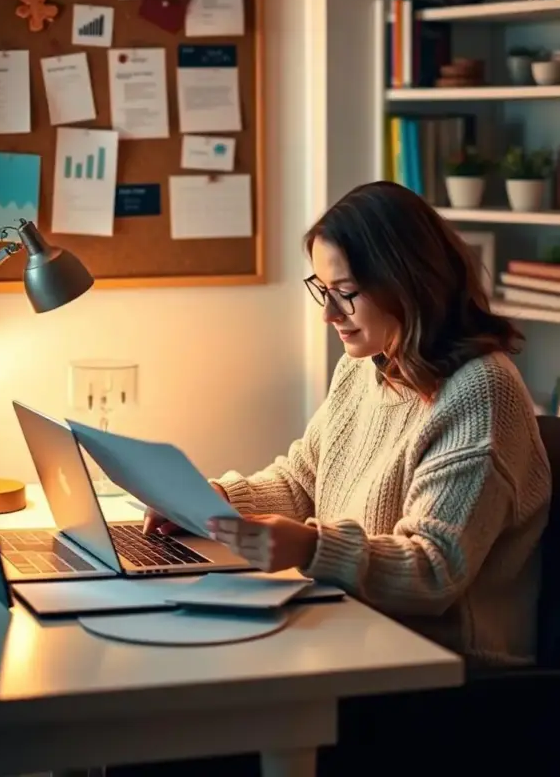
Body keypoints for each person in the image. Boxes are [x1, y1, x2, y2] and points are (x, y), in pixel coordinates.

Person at [141, 181, 552, 772]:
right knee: (176, 685)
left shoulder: (481, 392)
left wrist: (308, 544)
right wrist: (214, 500)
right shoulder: (368, 367)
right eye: (322, 291)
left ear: (408, 280)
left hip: (448, 682)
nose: (331, 314)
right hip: (352, 631)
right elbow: (304, 478)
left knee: (184, 731)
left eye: (346, 293)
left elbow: (434, 571)